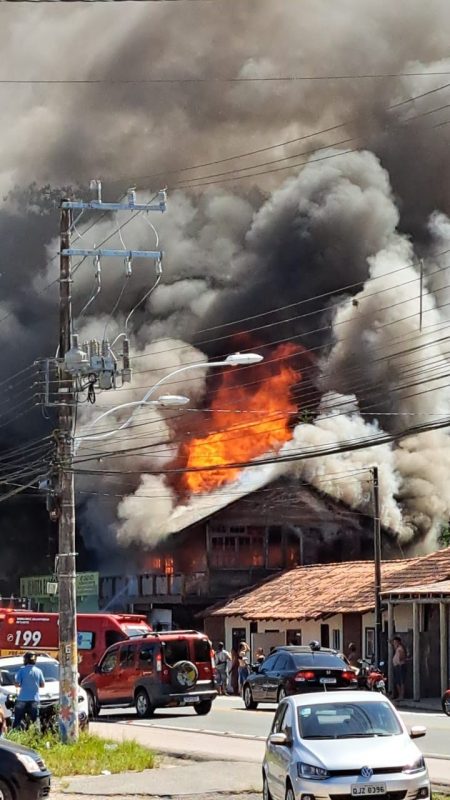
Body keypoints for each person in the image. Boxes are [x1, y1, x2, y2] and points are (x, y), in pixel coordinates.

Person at [13, 652, 45, 729]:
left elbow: (17, 684)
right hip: (34, 699)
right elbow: (42, 685)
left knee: (18, 719)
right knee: (35, 720)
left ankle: (14, 736)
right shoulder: (39, 671)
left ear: (26, 660)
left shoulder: (21, 670)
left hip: (22, 699)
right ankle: (35, 736)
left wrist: (20, 684)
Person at [392, 636, 407, 702]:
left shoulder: (400, 649)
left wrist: (399, 660)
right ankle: (399, 695)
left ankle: (401, 696)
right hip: (396, 666)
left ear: (399, 642)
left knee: (401, 681)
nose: (394, 644)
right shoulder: (397, 648)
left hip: (400, 666)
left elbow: (402, 657)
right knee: (397, 681)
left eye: (395, 642)